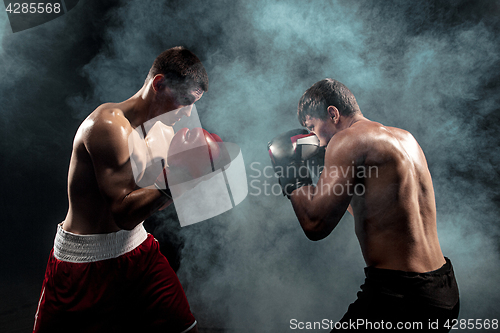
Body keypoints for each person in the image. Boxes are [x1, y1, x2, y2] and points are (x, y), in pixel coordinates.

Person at [33, 46, 209, 333]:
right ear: (159, 84)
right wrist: (177, 174)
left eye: (194, 103)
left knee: (185, 329)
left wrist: (191, 178)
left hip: (137, 248)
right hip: (84, 262)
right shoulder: (107, 125)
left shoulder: (165, 133)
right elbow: (123, 212)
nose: (189, 112)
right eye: (186, 100)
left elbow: (152, 202)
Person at [268, 78, 459, 331]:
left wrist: (291, 171)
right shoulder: (406, 139)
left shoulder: (347, 141)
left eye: (312, 127)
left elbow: (315, 225)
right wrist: (322, 167)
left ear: (333, 113)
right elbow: (368, 208)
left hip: (401, 296)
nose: (315, 139)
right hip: (443, 288)